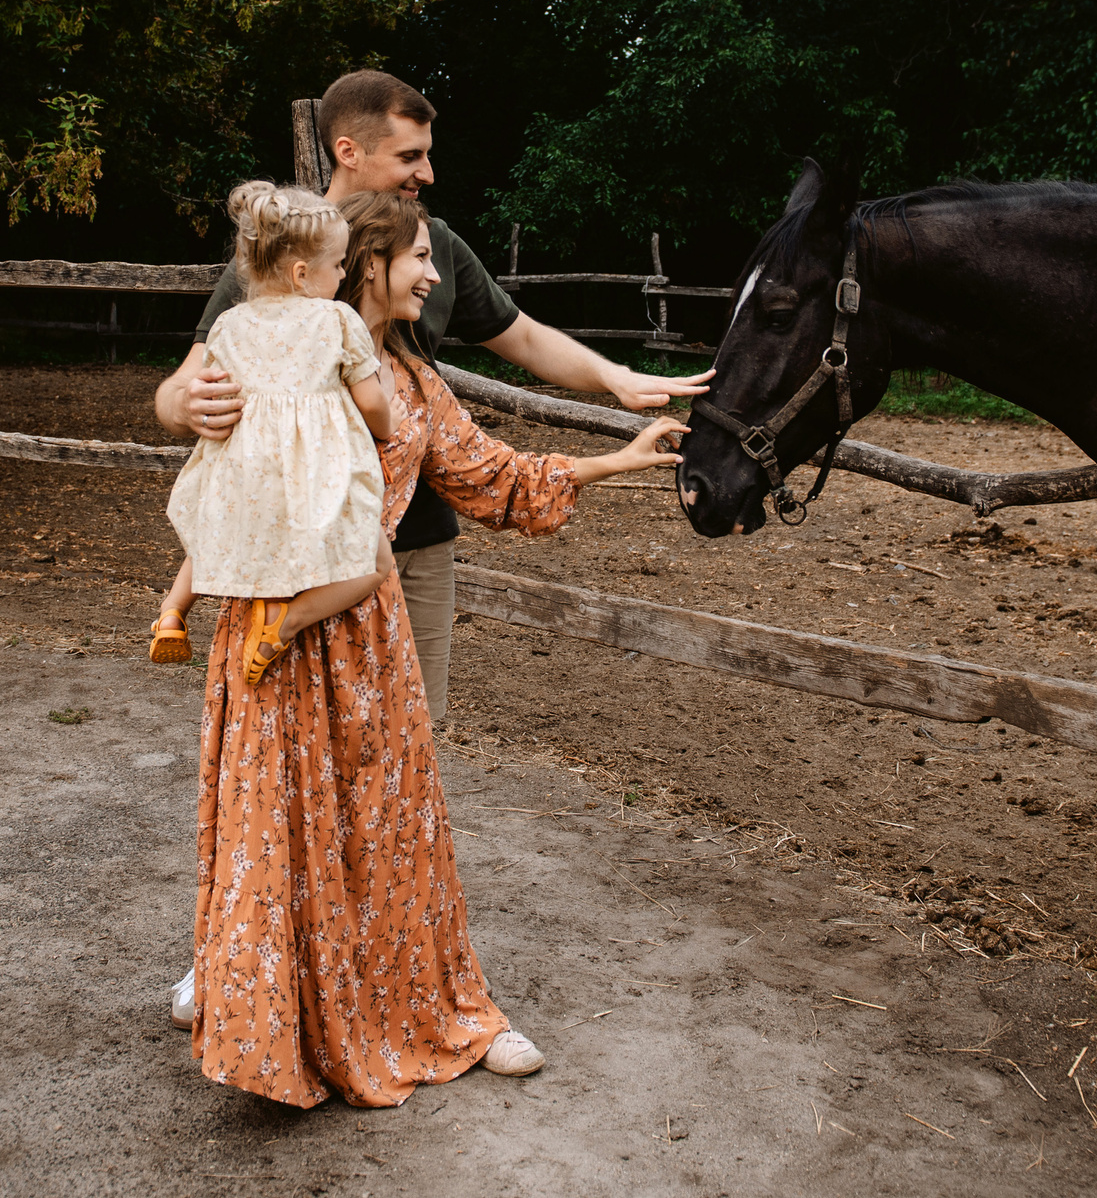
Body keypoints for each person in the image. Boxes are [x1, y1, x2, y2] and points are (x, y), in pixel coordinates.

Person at [182, 190, 687, 1106]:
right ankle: (260, 1011)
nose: (433, 273)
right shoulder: (282, 347)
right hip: (275, 628)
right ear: (363, 265)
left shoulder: (412, 381)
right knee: (280, 823)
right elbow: (210, 454)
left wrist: (617, 458)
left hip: (370, 638)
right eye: (419, 257)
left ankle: (422, 1009)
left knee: (387, 823)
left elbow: (492, 473)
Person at [155, 69, 711, 727]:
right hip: (295, 557)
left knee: (404, 743)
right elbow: (181, 386)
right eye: (410, 155)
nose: (428, 173)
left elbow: (524, 338)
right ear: (348, 150)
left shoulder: (434, 251)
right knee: (298, 744)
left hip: (413, 543)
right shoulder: (284, 257)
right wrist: (186, 406)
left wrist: (616, 378)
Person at [149, 182, 396, 683]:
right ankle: (284, 624)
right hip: (311, 478)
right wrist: (385, 427)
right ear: (303, 274)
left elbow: (216, 389)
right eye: (339, 264)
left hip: (245, 472)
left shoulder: (228, 325)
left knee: (219, 533)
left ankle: (172, 612)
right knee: (376, 561)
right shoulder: (337, 320)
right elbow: (371, 400)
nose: (346, 273)